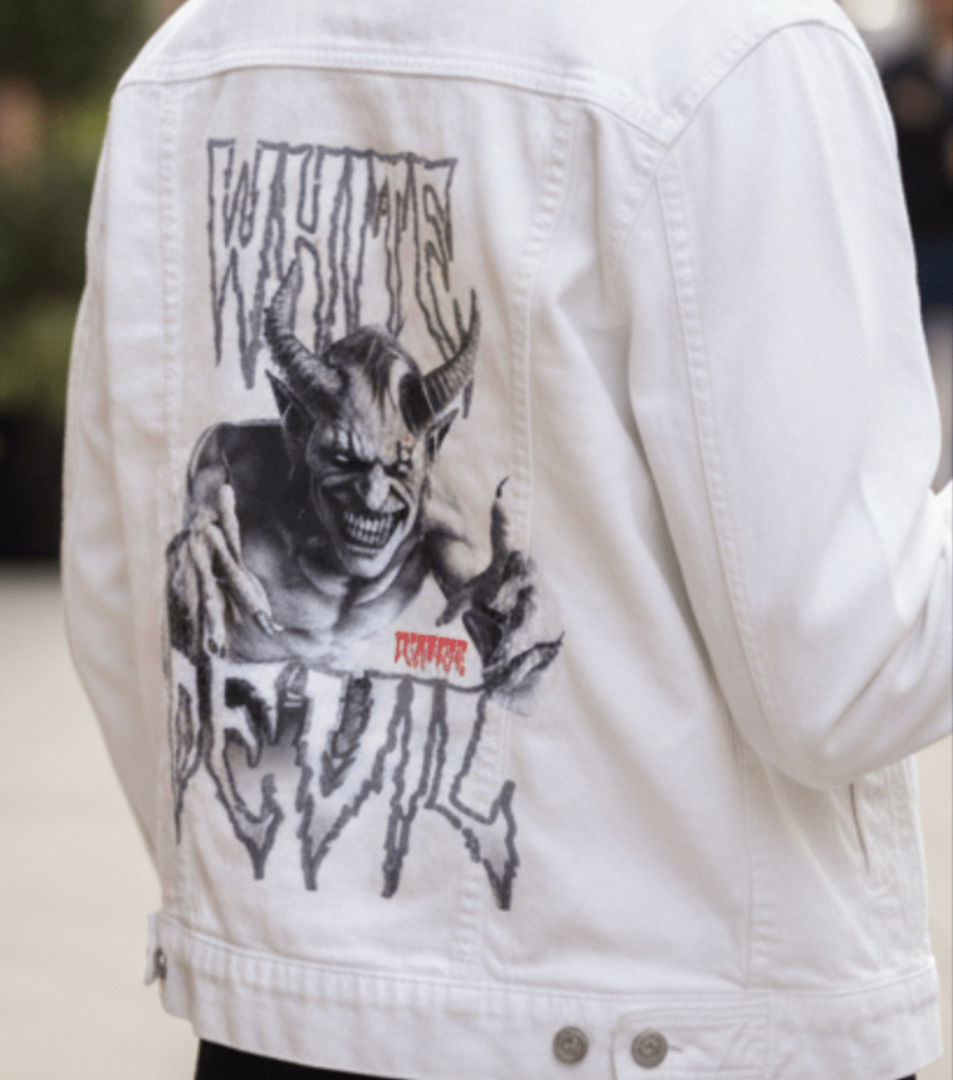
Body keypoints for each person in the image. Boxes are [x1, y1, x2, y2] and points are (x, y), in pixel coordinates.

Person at [62, 0, 952, 1077]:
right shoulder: (733, 49)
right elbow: (848, 672)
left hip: (288, 1029)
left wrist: (302, 932)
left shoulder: (193, 58)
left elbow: (124, 614)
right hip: (672, 1034)